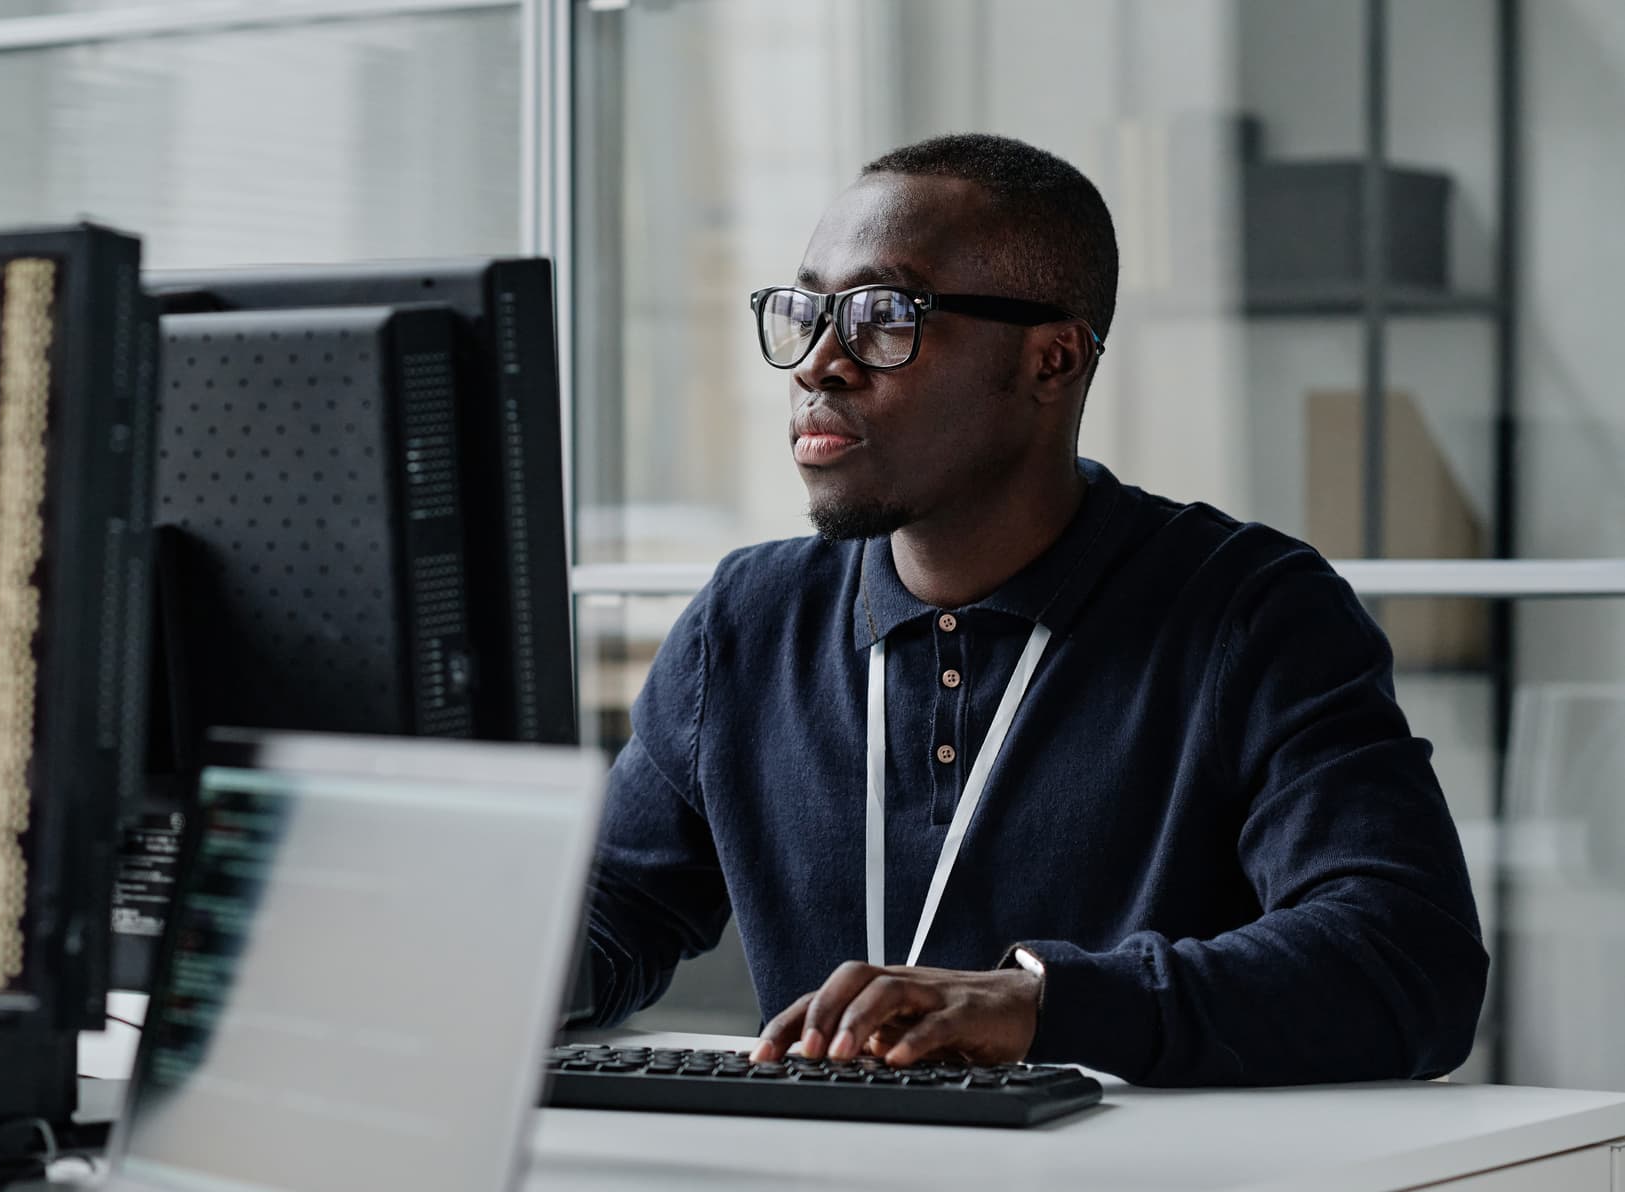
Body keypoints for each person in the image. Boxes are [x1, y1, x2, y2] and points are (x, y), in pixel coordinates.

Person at [578, 133, 1488, 1087]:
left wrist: (1043, 1006)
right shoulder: (749, 621)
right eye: (806, 311)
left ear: (1051, 361)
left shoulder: (1248, 612)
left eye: (884, 316)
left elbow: (1404, 960)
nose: (819, 362)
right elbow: (605, 920)